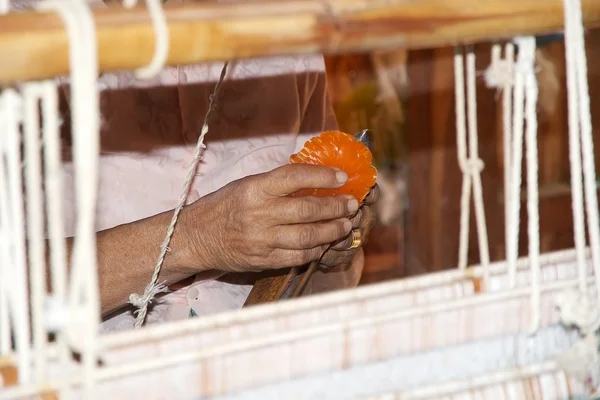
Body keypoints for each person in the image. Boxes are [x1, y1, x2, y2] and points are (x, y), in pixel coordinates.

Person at [55, 51, 378, 331]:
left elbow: (314, 283)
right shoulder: (23, 27)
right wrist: (197, 239)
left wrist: (332, 244)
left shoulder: (285, 27)